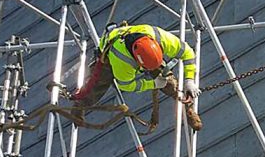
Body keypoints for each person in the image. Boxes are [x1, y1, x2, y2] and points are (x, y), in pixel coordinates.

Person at [72, 23, 202, 131]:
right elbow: (126, 85)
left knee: (169, 82)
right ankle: (78, 107)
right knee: (95, 87)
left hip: (144, 52)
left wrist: (189, 80)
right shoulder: (122, 62)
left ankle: (188, 108)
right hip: (108, 56)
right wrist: (153, 84)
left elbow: (187, 53)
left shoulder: (159, 37)